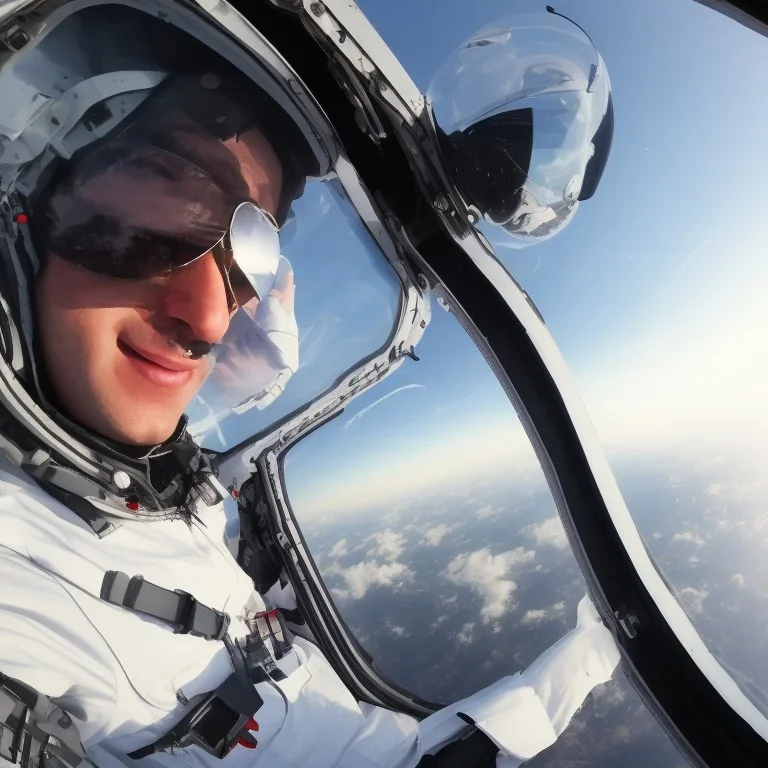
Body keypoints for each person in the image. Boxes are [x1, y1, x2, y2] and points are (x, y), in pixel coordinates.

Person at [0, 4, 619, 768]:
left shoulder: (165, 485)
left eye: (248, 249)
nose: (209, 318)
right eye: (169, 193)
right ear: (24, 203)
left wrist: (588, 659)